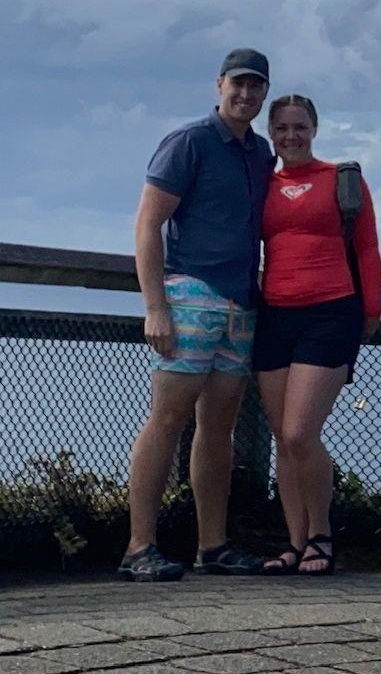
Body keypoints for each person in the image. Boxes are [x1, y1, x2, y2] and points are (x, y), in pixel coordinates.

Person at [117, 48, 275, 581]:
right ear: (219, 85)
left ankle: (213, 544)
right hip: (190, 295)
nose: (246, 95)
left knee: (219, 428)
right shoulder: (188, 142)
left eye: (256, 87)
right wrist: (155, 307)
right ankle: (139, 546)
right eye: (239, 84)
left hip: (239, 302)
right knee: (167, 420)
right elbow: (147, 224)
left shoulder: (260, 153)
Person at [253, 95, 381, 576]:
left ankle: (322, 534)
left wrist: (369, 307)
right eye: (282, 127)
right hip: (274, 315)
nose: (291, 136)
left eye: (300, 126)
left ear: (315, 129)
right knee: (281, 440)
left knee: (299, 432)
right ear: (271, 131)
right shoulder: (262, 182)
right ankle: (294, 540)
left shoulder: (342, 179)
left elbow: (367, 245)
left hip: (330, 312)